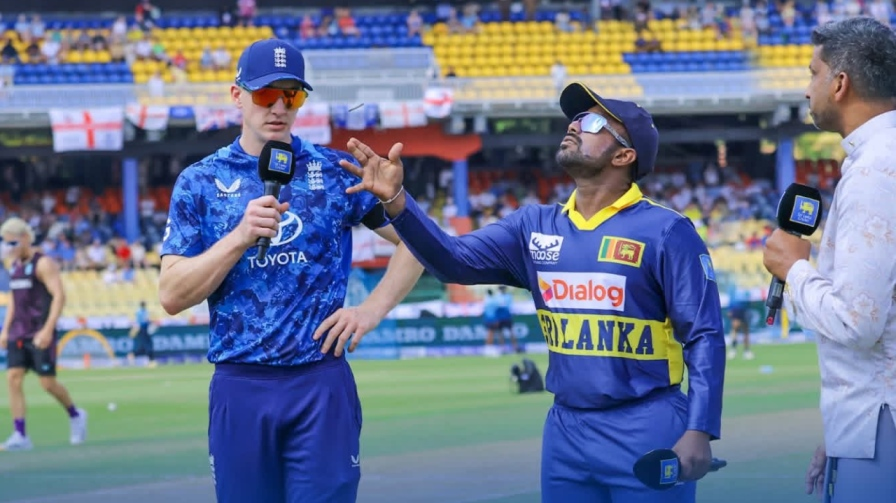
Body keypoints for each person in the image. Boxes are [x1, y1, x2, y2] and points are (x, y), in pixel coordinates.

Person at [338, 82, 727, 502]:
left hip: (647, 425)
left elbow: (703, 335)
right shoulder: (533, 225)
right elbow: (451, 260)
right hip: (565, 431)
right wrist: (398, 202)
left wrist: (699, 430)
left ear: (624, 155)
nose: (576, 125)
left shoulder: (667, 231)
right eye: (575, 118)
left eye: (593, 122)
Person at [157, 38, 423, 503]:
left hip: (320, 381)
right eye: (265, 94)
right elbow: (172, 295)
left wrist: (370, 311)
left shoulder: (335, 170)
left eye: (292, 95)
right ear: (237, 94)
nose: (279, 106)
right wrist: (239, 236)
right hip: (240, 384)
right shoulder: (199, 180)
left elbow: (421, 243)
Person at [762, 17, 896, 503]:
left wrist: (793, 267)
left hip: (882, 423)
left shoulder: (875, 172)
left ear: (840, 84)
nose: (805, 89)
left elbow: (857, 322)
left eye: (813, 72)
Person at [0, 217, 87, 451]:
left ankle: (75, 414)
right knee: (13, 378)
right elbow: (14, 303)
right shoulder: (14, 266)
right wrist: (6, 329)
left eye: (11, 243)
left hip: (39, 332)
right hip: (18, 332)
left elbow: (59, 296)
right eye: (5, 243)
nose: (7, 248)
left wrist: (48, 329)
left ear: (25, 238)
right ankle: (20, 434)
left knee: (47, 383)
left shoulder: (43, 263)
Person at [726, 283, 752, 360]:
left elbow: (748, 296)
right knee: (735, 328)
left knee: (745, 330)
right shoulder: (733, 284)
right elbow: (731, 297)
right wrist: (730, 309)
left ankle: (746, 351)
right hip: (735, 308)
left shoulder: (746, 284)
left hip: (744, 309)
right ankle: (733, 349)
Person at [128, 300, 156, 367]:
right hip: (142, 329)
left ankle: (150, 361)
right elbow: (142, 321)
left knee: (147, 346)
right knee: (145, 345)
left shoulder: (142, 311)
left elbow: (144, 321)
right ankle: (133, 356)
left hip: (143, 329)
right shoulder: (140, 312)